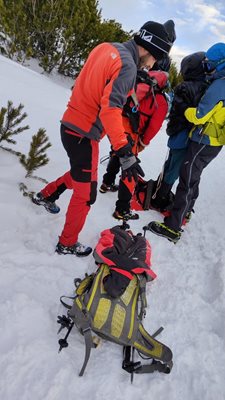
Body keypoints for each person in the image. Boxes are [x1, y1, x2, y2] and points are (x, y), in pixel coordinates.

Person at [32, 20, 175, 256]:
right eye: (155, 59)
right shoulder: (128, 65)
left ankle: (46, 195)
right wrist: (125, 152)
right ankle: (67, 243)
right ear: (150, 50)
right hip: (84, 133)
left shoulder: (106, 47)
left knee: (82, 173)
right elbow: (110, 109)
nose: (152, 65)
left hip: (70, 124)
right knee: (87, 192)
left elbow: (87, 82)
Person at [147, 42, 225, 243]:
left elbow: (199, 115)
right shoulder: (217, 82)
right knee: (192, 176)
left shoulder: (219, 86)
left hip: (204, 139)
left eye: (210, 65)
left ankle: (173, 226)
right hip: (211, 139)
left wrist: (183, 111)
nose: (207, 68)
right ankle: (185, 211)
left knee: (186, 179)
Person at [99, 68, 169, 221]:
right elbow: (154, 126)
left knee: (117, 152)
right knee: (130, 167)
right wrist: (144, 142)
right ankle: (122, 209)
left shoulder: (136, 84)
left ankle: (106, 183)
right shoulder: (161, 101)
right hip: (132, 133)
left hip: (116, 125)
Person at [150, 51, 209, 212]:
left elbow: (178, 110)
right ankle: (160, 196)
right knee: (174, 167)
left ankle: (159, 191)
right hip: (185, 133)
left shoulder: (185, 86)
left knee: (171, 163)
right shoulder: (203, 88)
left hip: (177, 131)